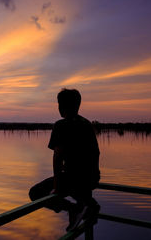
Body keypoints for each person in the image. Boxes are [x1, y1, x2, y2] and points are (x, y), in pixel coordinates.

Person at [29, 88, 100, 231]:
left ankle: (74, 209)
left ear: (62, 106)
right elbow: (96, 153)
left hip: (73, 177)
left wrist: (56, 186)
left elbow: (57, 157)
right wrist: (92, 176)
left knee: (35, 193)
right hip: (91, 177)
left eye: (59, 105)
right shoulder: (86, 124)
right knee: (78, 191)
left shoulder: (61, 125)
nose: (58, 108)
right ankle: (87, 204)